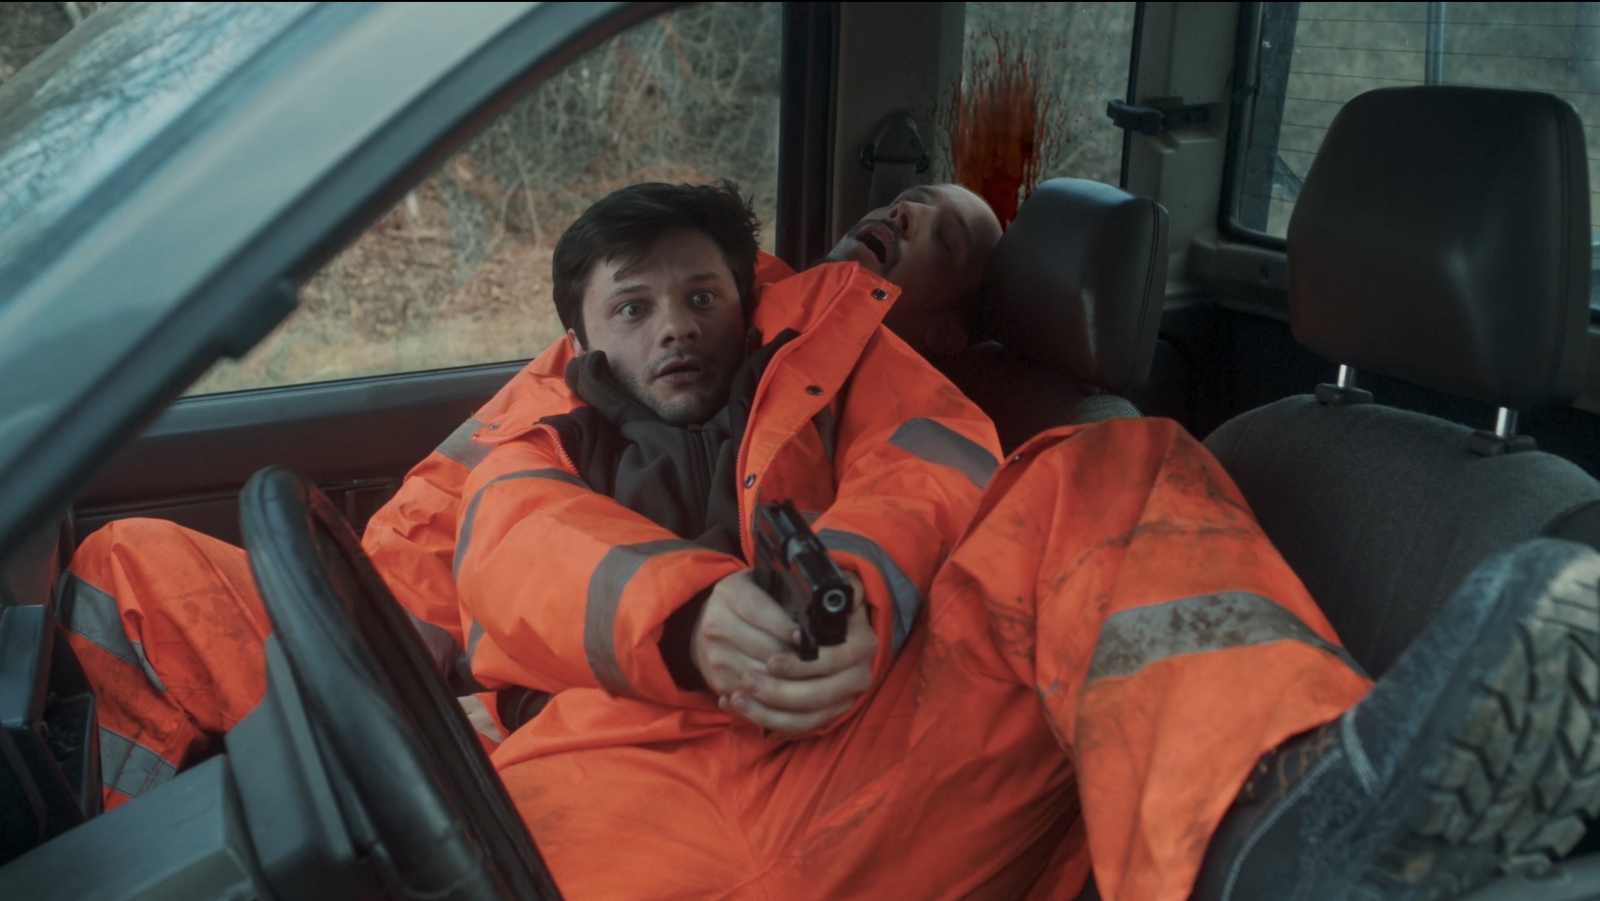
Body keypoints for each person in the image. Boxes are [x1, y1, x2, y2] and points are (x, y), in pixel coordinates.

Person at [61, 181, 1600, 901]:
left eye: (935, 232)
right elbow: (503, 536)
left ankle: (1282, 841)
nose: (675, 322)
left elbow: (931, 477)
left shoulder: (874, 366)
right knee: (129, 561)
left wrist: (847, 589)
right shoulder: (571, 401)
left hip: (872, 742)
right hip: (598, 763)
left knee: (1121, 463)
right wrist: (673, 619)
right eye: (635, 303)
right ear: (587, 324)